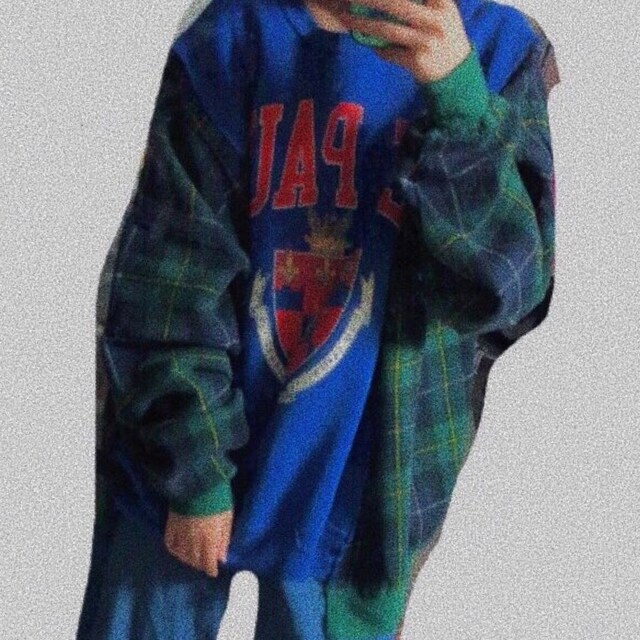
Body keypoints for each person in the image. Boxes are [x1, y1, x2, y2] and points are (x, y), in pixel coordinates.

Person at [76, 0, 560, 638]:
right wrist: (192, 469)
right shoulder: (230, 39)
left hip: (364, 499)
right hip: (175, 461)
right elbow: (169, 278)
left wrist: (459, 99)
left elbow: (507, 290)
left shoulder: (498, 49)